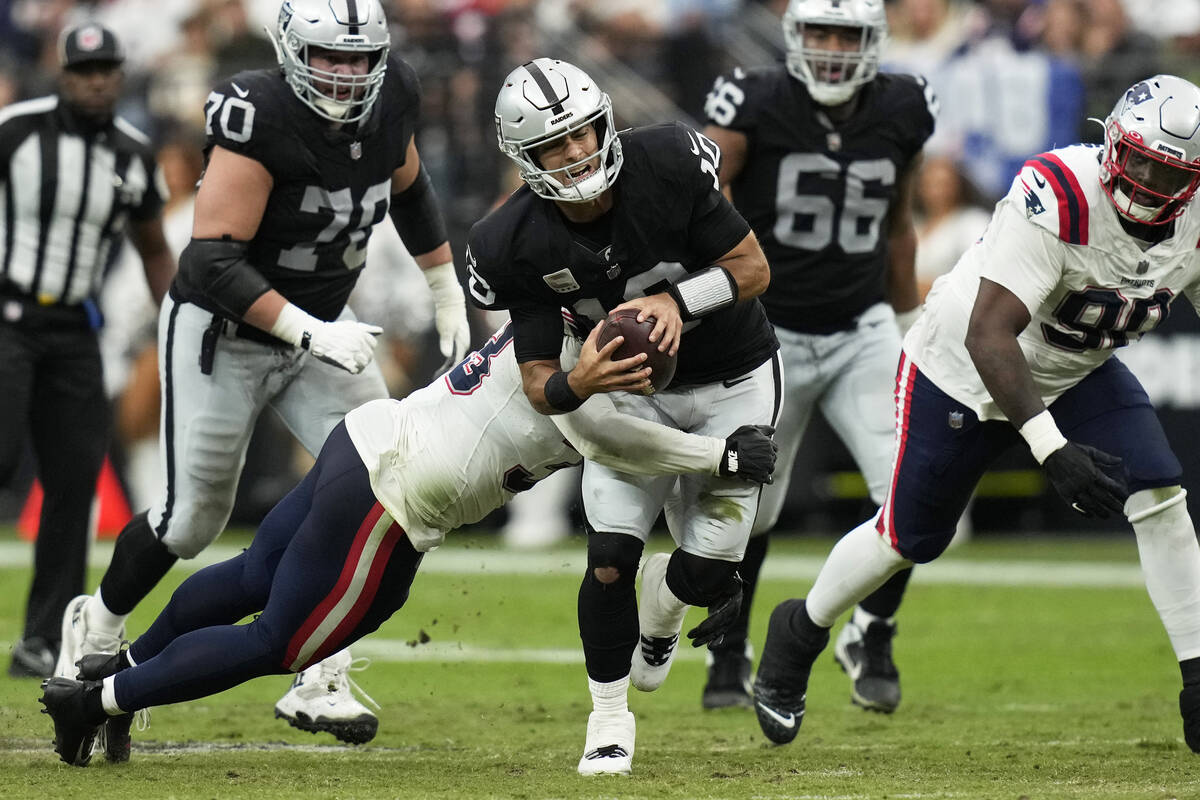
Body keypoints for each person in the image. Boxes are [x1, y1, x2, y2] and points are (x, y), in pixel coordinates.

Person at [37, 318, 779, 767]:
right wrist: (718, 460)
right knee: (282, 644)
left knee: (252, 573)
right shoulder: (580, 374)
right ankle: (98, 700)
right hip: (393, 501)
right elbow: (605, 432)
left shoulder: (547, 321)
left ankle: (115, 667)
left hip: (368, 440)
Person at [53, 0, 471, 760]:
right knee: (192, 521)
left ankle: (320, 674)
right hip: (226, 329)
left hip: (323, 328)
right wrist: (311, 330)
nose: (346, 75)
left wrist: (443, 284)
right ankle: (100, 624)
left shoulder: (394, 96)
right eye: (328, 58)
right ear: (288, 50)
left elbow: (408, 187)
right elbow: (210, 259)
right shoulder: (259, 113)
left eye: (359, 58)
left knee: (385, 482)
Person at [751, 74, 1200, 752]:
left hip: (1075, 368)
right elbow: (990, 335)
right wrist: (1052, 449)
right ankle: (801, 628)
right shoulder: (1061, 192)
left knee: (1161, 496)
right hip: (959, 368)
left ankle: (1197, 677)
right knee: (908, 538)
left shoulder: (1193, 220)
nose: (1144, 181)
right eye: (1137, 158)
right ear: (1111, 142)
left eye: (1167, 173)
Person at [467, 58, 782, 775]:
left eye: (582, 134)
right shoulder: (509, 242)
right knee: (609, 561)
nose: (577, 152)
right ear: (525, 158)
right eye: (555, 145)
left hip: (732, 377)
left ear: (605, 122)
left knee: (707, 574)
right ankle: (609, 720)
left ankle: (666, 609)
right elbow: (541, 380)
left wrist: (678, 302)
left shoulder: (668, 159)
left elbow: (753, 267)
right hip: (626, 394)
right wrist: (579, 381)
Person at [698, 0, 936, 714]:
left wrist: (911, 320)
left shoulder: (905, 104)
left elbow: (898, 221)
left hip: (862, 326)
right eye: (821, 33)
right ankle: (728, 651)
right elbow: (703, 205)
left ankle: (873, 629)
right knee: (753, 509)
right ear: (796, 37)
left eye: (849, 35)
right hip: (769, 332)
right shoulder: (754, 99)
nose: (833, 49)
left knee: (909, 492)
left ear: (875, 42)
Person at [0, 23, 173, 679]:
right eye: (84, 70)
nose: (96, 80)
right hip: (7, 314)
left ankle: (42, 639)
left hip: (75, 328)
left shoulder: (132, 153)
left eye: (106, 69)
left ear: (119, 76)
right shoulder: (16, 130)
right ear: (63, 76)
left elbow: (154, 248)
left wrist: (178, 320)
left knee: (74, 483)